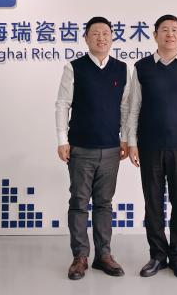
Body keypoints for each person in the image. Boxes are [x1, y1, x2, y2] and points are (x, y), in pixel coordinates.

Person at [127, 14, 177, 279]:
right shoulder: (141, 68)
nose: (170, 34)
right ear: (155, 35)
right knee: (153, 203)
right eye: (164, 30)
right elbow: (133, 109)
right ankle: (157, 256)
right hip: (149, 146)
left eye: (175, 30)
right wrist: (132, 142)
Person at [55, 16, 130, 280]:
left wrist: (125, 139)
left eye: (106, 33)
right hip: (80, 148)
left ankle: (104, 255)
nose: (101, 38)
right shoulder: (74, 67)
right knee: (78, 202)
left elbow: (125, 107)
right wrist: (62, 140)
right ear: (86, 38)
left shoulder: (122, 69)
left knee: (104, 204)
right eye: (95, 33)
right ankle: (80, 256)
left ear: (112, 38)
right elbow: (62, 104)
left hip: (111, 148)